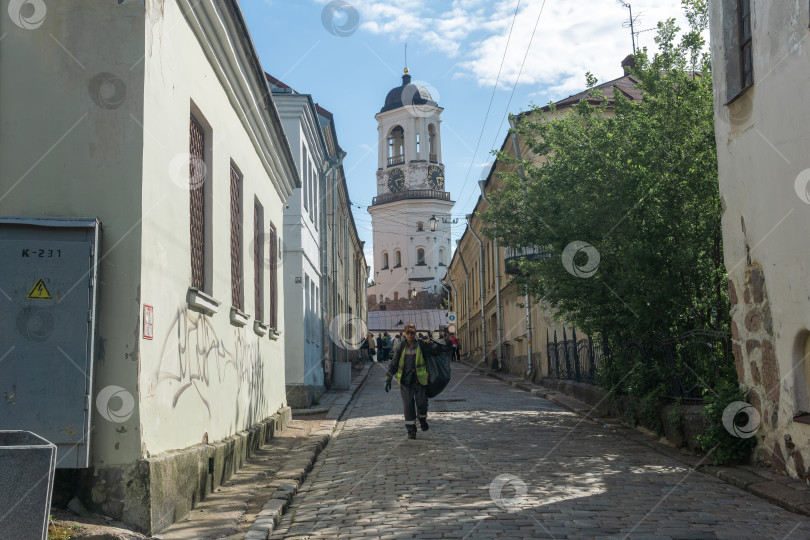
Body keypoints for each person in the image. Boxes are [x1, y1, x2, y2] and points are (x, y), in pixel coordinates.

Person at [385, 324, 445, 439]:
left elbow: (437, 351)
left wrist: (430, 344)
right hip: (405, 381)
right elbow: (394, 363)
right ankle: (411, 431)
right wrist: (388, 377)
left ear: (415, 333)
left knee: (422, 404)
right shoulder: (401, 346)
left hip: (420, 380)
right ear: (404, 334)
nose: (410, 335)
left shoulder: (421, 344)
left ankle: (422, 419)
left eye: (412, 332)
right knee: (408, 406)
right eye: (408, 332)